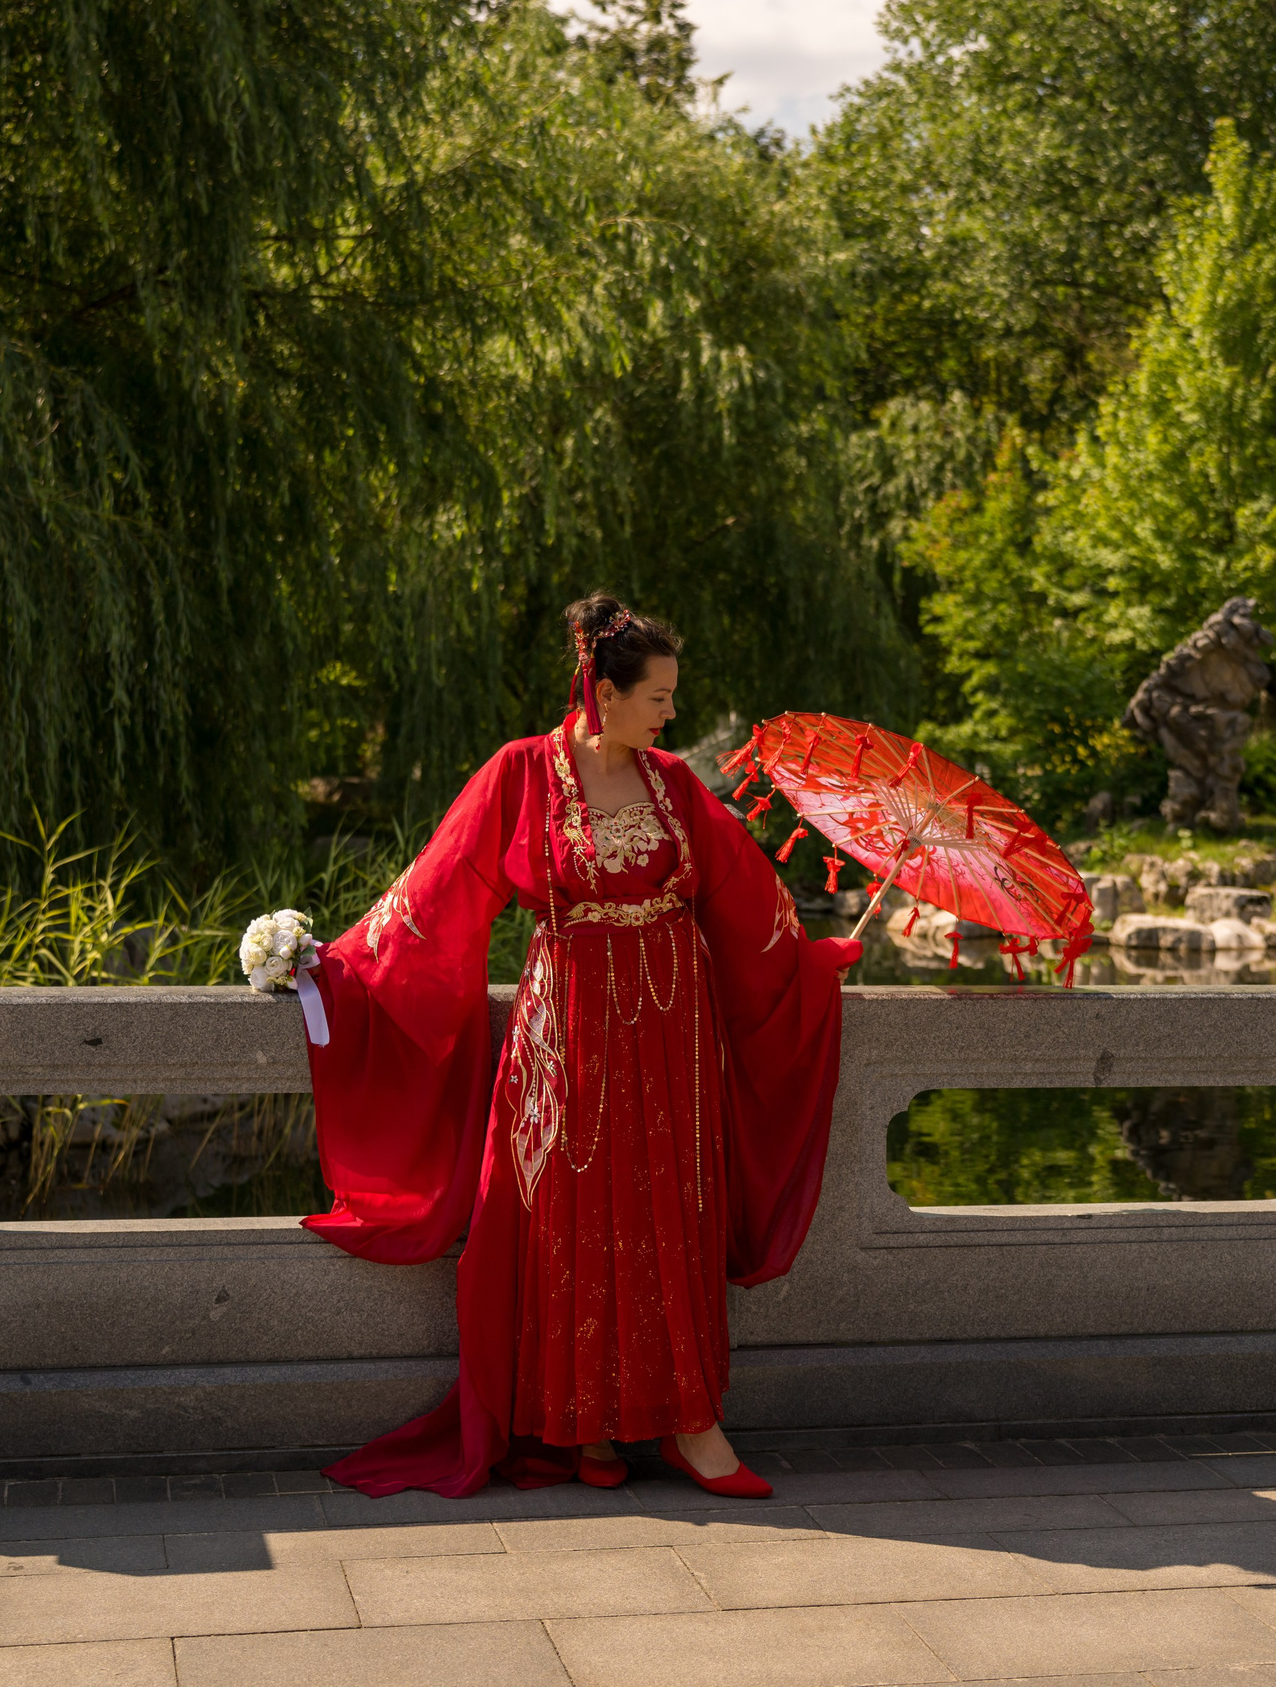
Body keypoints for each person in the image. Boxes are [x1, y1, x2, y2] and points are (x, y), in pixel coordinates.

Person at [298, 594, 862, 1500]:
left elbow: (746, 896)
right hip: (566, 1034)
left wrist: (811, 962)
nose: (671, 712)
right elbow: (437, 892)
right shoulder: (522, 773)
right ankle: (582, 1425)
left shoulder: (673, 784)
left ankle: (690, 1425)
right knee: (569, 1214)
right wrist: (333, 966)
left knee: (664, 1211)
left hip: (670, 1032)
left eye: (673, 696)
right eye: (659, 696)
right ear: (605, 691)